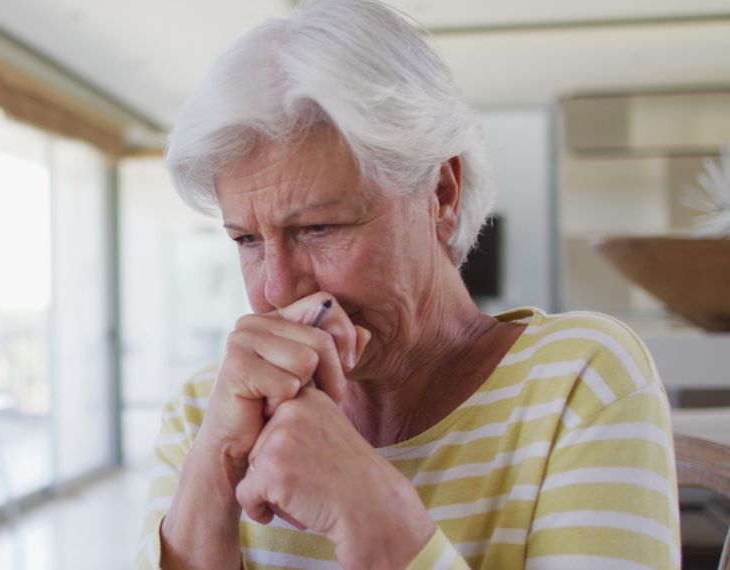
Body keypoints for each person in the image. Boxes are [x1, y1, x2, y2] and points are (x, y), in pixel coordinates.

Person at [137, 0, 680, 569]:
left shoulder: (580, 383)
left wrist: (378, 520)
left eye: (319, 227)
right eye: (246, 239)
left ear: (440, 195)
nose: (275, 289)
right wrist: (214, 471)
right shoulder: (207, 410)